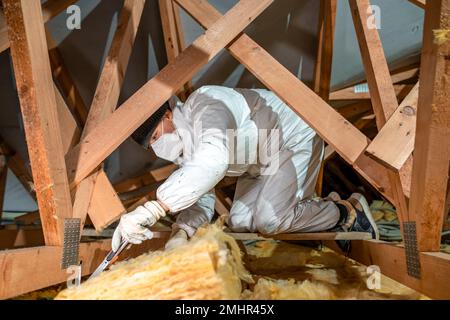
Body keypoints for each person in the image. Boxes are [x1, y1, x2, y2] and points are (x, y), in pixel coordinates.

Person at [112, 86, 379, 252]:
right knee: (240, 221)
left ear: (167, 115)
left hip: (289, 138)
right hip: (259, 163)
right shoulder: (186, 145)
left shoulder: (205, 103)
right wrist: (182, 230)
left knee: (270, 220)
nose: (157, 147)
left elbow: (213, 162)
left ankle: (346, 212)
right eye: (152, 145)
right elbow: (201, 189)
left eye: (156, 137)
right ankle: (313, 215)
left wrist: (155, 208)